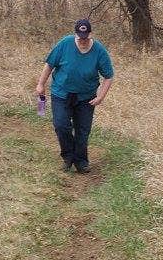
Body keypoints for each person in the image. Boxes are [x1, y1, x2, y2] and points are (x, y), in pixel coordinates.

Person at [36, 19, 114, 173]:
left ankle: (81, 162)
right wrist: (40, 84)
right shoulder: (65, 43)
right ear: (75, 35)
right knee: (61, 125)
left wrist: (101, 96)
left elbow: (108, 76)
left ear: (90, 35)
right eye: (80, 38)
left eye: (85, 38)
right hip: (61, 93)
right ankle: (68, 157)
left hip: (86, 97)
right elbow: (50, 64)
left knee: (82, 131)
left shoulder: (99, 50)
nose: (83, 41)